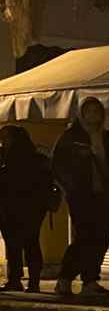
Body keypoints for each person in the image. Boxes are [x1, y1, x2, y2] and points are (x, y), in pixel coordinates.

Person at [52, 96, 109, 297]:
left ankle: (91, 281)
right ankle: (65, 278)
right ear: (82, 114)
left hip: (104, 194)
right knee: (84, 237)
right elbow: (58, 165)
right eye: (88, 112)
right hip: (81, 195)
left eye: (96, 111)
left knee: (101, 237)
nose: (92, 116)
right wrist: (69, 188)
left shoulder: (106, 136)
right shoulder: (72, 137)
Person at [0, 125, 55, 292]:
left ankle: (17, 280)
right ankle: (32, 282)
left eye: (5, 138)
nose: (4, 142)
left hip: (15, 208)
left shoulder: (8, 160)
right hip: (30, 209)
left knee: (17, 245)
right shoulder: (36, 158)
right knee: (29, 243)